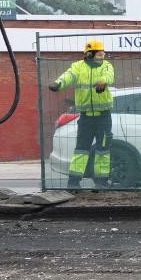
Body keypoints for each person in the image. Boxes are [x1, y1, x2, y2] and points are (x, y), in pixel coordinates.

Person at [49, 38, 115, 189]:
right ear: (89, 54)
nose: (102, 55)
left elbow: (109, 75)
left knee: (102, 150)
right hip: (86, 117)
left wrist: (103, 82)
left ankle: (101, 183)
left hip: (104, 116)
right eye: (98, 53)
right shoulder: (78, 67)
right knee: (81, 149)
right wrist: (58, 83)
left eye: (102, 53)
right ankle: (73, 182)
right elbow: (68, 76)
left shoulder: (106, 66)